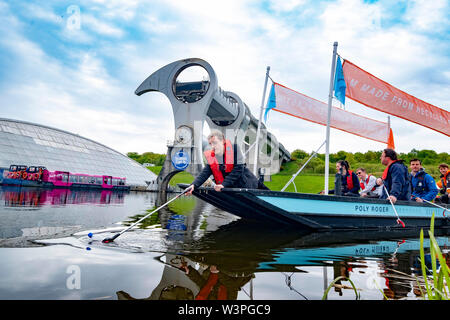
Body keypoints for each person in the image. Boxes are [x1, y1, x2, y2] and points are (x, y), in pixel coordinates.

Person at [185, 130, 268, 195]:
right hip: (232, 189)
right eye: (210, 144)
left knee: (267, 192)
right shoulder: (213, 157)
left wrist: (223, 184)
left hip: (248, 185)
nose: (212, 146)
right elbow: (204, 173)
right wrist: (193, 185)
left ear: (223, 141)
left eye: (215, 143)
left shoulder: (235, 148)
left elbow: (238, 170)